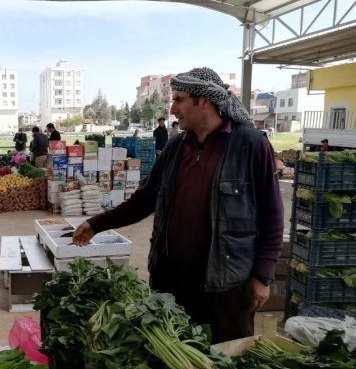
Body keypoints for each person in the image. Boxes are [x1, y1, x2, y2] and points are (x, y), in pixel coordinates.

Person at [72, 67, 283, 344]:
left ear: (204, 101)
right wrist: (95, 224)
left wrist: (262, 275)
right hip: (172, 281)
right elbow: (143, 201)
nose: (173, 109)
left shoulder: (251, 145)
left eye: (179, 100)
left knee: (224, 354)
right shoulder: (174, 148)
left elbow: (272, 216)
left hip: (225, 284)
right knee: (173, 352)